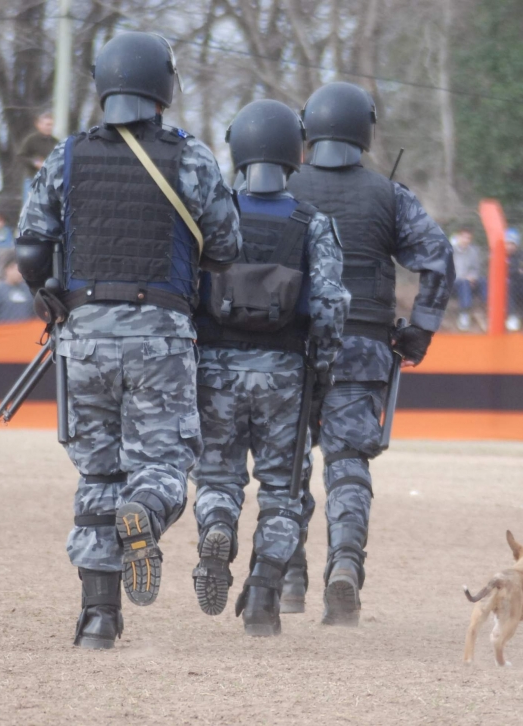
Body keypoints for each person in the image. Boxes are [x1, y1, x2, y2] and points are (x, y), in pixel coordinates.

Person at [15, 31, 241, 650]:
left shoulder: (65, 156)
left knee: (96, 475)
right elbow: (227, 245)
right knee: (164, 462)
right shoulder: (189, 156)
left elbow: (31, 245)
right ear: (163, 86)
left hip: (83, 337)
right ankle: (144, 509)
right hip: (159, 336)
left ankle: (98, 619)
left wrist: (48, 294)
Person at [285, 81, 455, 625]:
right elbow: (438, 258)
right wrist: (420, 333)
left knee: (285, 466)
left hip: (289, 348)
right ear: (364, 131)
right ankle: (346, 568)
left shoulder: (282, 186)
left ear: (308, 128)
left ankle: (288, 576)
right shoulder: (389, 195)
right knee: (348, 465)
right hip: (362, 349)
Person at [191, 99, 349, 637]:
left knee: (217, 475)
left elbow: (188, 292)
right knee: (284, 491)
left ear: (238, 152)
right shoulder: (314, 224)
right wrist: (320, 375)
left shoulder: (214, 218)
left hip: (214, 369)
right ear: (294, 156)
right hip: (285, 372)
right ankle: (262, 592)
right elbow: (330, 308)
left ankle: (216, 528)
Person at [0, 253, 35, 323]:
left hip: (26, 332)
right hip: (4, 332)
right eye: (18, 270)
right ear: (8, 269)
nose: (21, 274)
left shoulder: (29, 291)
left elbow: (36, 315)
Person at [17, 112, 59, 202]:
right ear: (39, 125)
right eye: (47, 124)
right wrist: (34, 162)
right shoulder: (31, 140)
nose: (49, 127)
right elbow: (21, 157)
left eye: (51, 125)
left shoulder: (55, 142)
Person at [452, 228, 486, 331]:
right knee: (464, 282)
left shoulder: (473, 251)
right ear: (458, 237)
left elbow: (475, 269)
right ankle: (464, 314)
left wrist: (473, 277)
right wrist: (464, 278)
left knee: (483, 281)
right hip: (454, 283)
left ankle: (487, 306)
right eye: (464, 237)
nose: (466, 240)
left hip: (469, 281)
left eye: (468, 238)